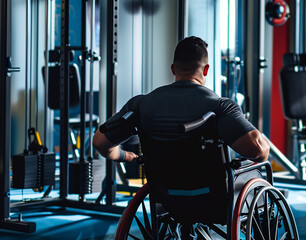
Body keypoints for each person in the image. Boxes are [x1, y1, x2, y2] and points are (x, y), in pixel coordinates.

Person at [93, 36, 269, 164]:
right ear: (206, 70)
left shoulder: (140, 104)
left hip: (165, 197)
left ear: (173, 69)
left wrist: (125, 155)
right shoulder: (220, 106)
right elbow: (259, 151)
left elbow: (100, 143)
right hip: (212, 197)